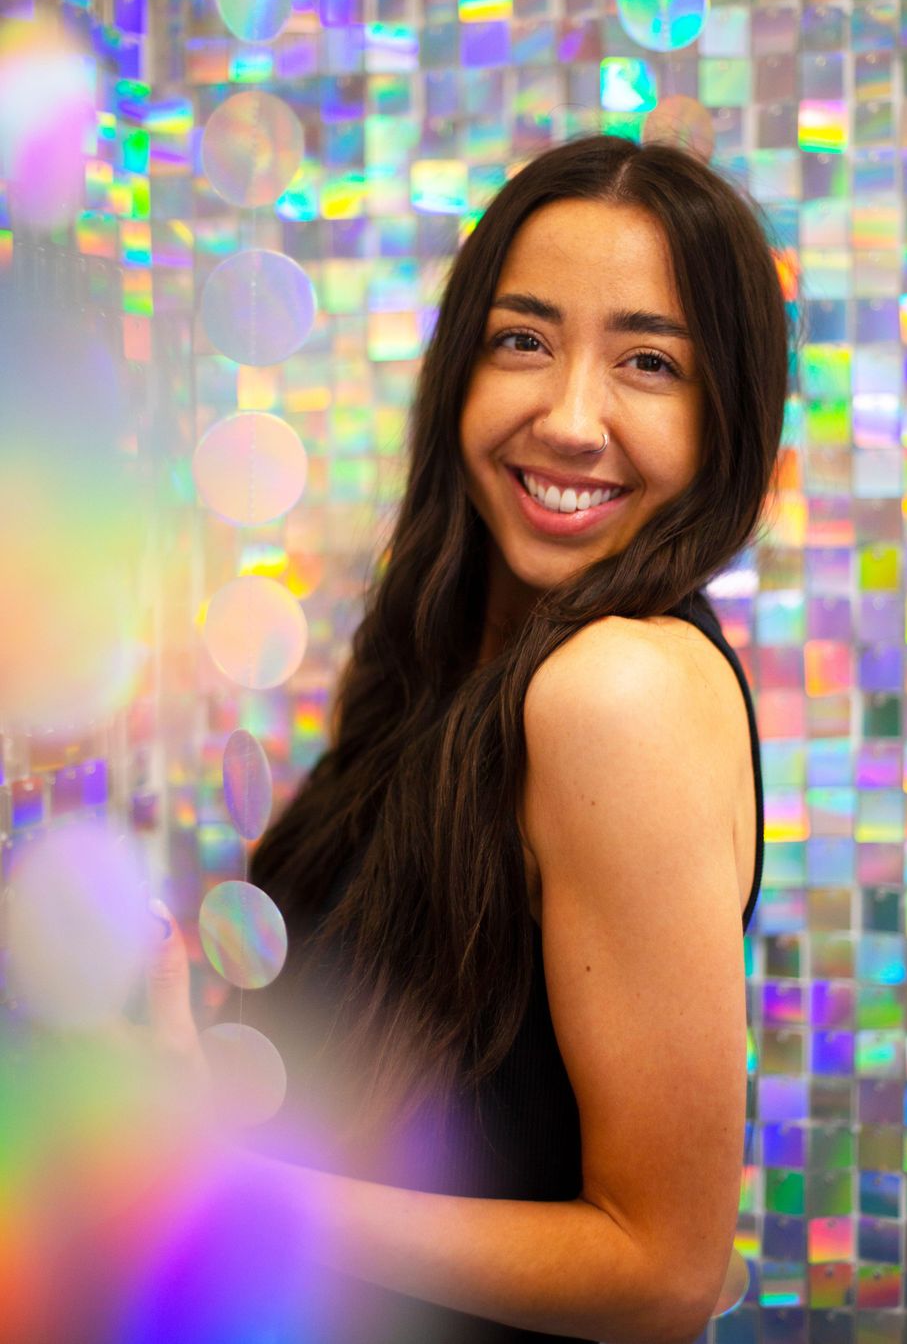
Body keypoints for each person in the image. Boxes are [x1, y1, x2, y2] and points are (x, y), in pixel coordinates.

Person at [168, 132, 790, 1344]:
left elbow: (658, 1271)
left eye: (648, 362)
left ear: (725, 420)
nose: (567, 419)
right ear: (460, 370)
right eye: (523, 340)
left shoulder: (618, 689)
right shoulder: (453, 668)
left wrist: (241, 1197)